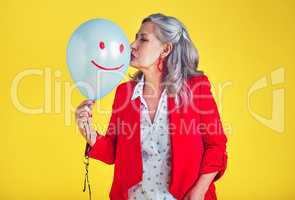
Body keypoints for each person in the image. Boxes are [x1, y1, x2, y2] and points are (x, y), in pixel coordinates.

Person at [75, 13, 228, 200]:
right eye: (136, 37)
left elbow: (216, 146)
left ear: (165, 49)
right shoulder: (125, 93)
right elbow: (113, 152)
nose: (132, 45)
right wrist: (88, 131)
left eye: (143, 39)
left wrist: (199, 191)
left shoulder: (196, 88)